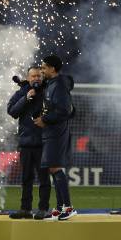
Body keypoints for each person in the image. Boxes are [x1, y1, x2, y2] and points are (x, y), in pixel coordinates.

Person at [33, 54, 76, 221]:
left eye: (44, 67)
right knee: (52, 169)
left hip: (57, 132)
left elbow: (65, 110)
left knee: (56, 168)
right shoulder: (51, 84)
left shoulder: (58, 85)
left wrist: (45, 119)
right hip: (51, 132)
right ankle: (59, 208)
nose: (42, 70)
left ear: (52, 68)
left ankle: (68, 207)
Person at [6, 65, 50, 219]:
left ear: (42, 77)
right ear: (28, 77)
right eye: (33, 76)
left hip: (43, 143)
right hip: (26, 144)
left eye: (39, 76)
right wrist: (26, 98)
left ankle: (43, 208)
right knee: (26, 178)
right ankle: (25, 209)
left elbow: (57, 111)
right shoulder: (21, 92)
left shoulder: (47, 91)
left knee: (44, 178)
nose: (37, 78)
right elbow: (11, 111)